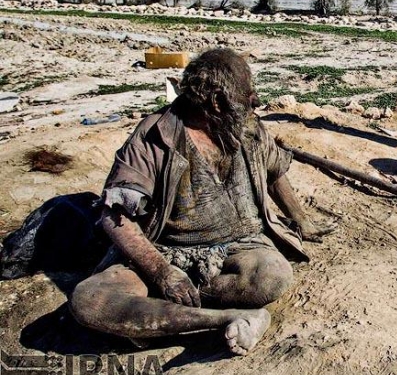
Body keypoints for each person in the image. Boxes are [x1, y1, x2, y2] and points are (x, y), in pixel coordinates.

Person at [70, 48, 327, 356]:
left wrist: (302, 219)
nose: (255, 100)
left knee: (272, 277)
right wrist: (161, 272)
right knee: (90, 301)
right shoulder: (154, 136)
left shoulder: (248, 127)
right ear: (217, 102)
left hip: (239, 250)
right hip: (164, 251)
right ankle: (227, 319)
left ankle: (162, 313)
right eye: (247, 94)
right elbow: (116, 218)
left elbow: (275, 172)